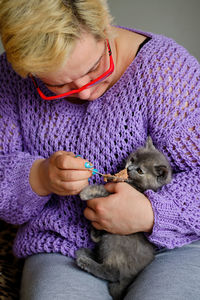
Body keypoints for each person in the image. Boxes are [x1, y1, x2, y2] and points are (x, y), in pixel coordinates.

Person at [0, 0, 199, 299]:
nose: (84, 91)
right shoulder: (12, 79)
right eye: (59, 85)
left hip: (172, 245)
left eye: (94, 69)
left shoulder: (166, 71)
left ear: (105, 28)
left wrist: (151, 213)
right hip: (63, 245)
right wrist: (39, 177)